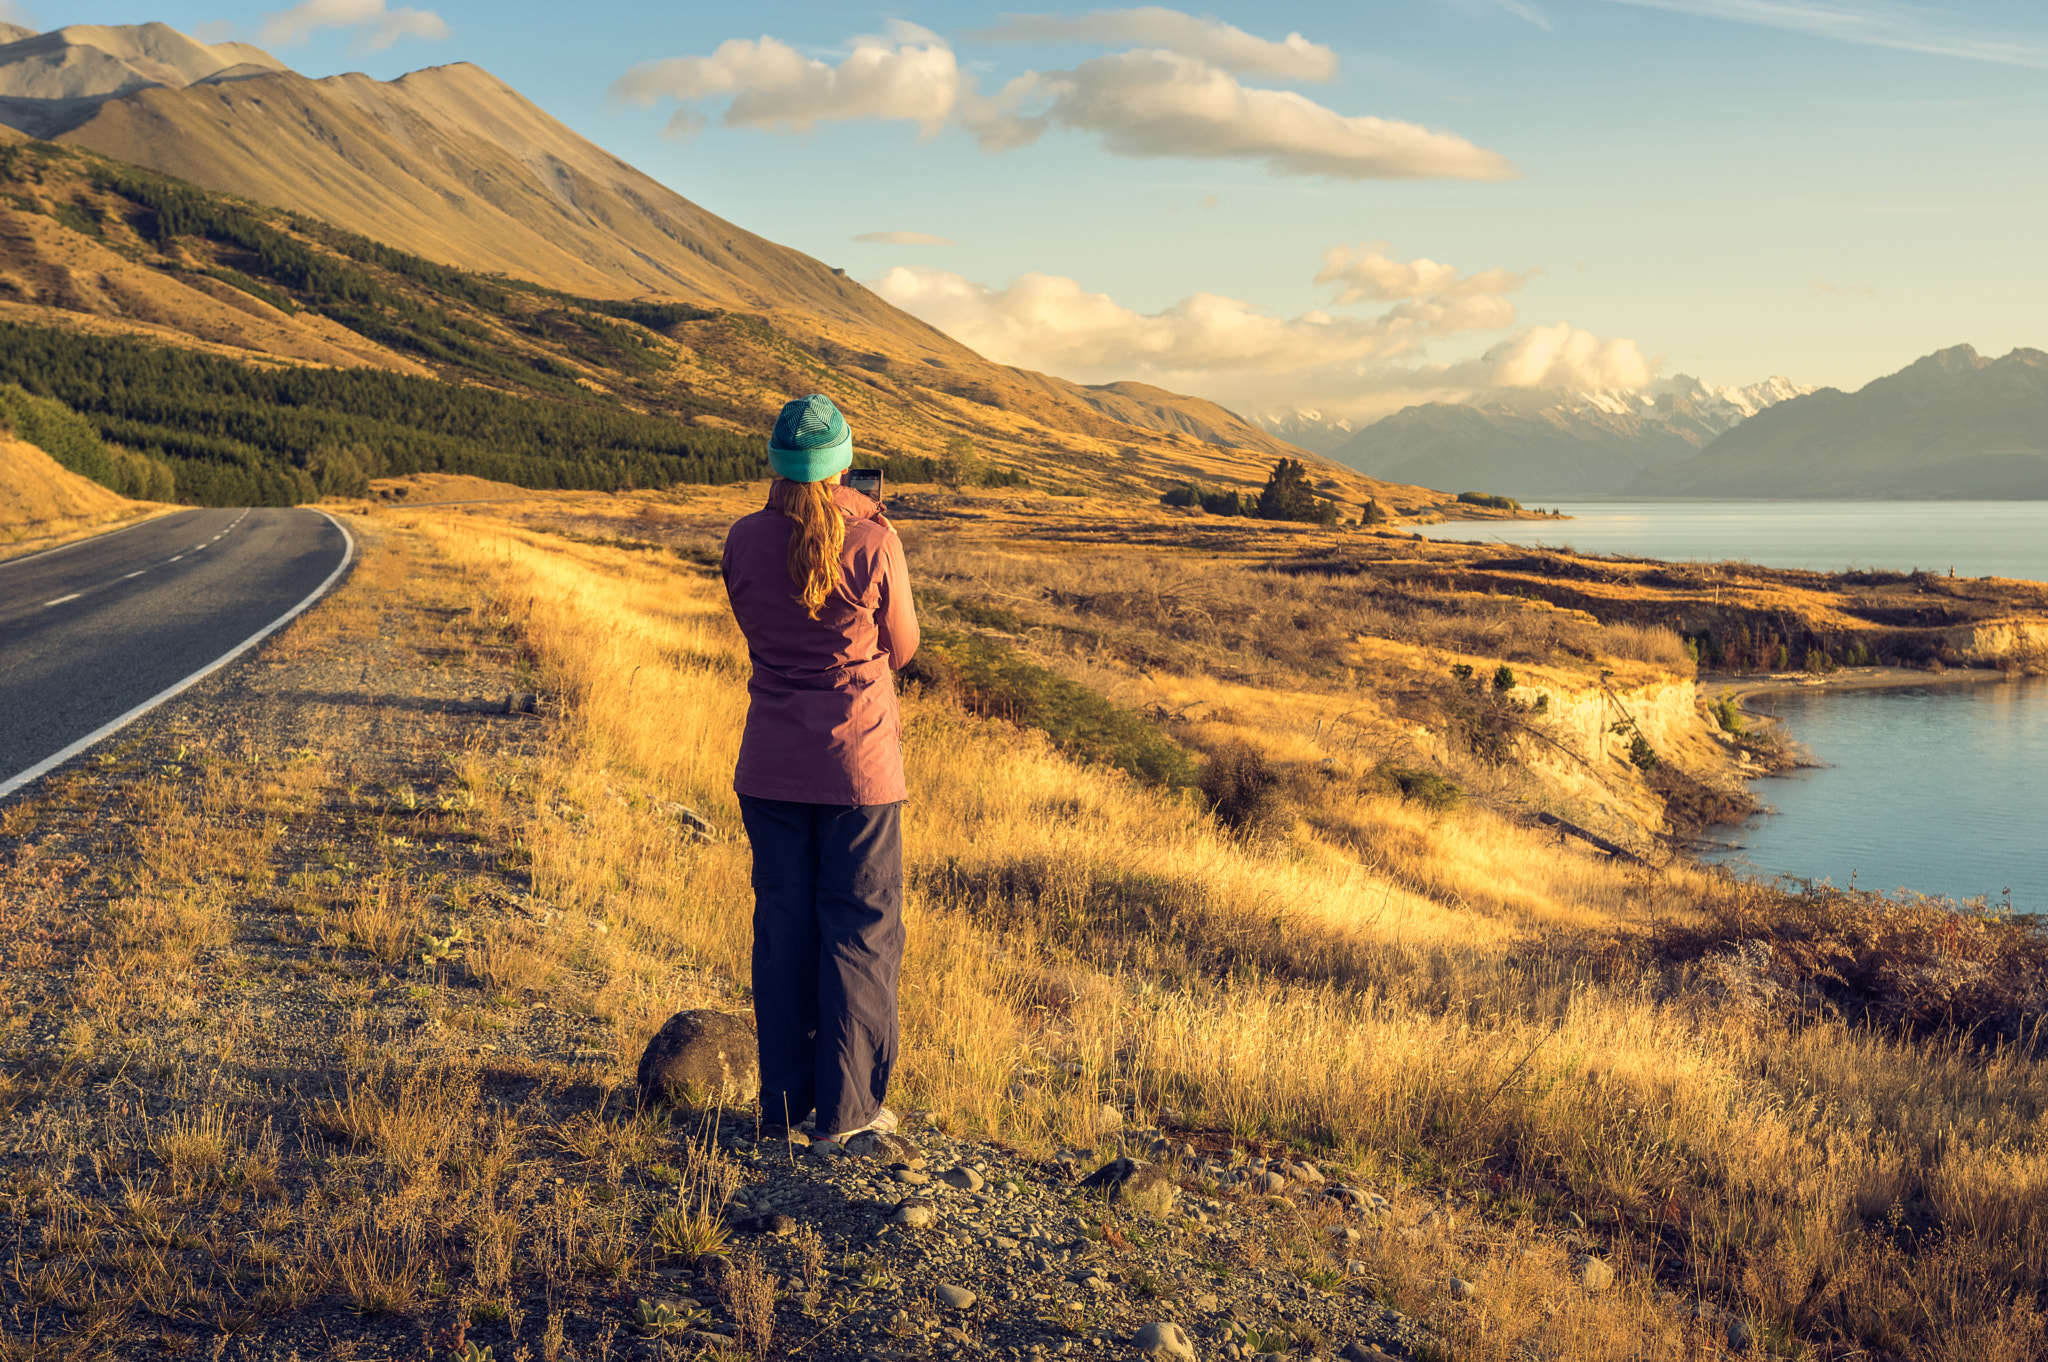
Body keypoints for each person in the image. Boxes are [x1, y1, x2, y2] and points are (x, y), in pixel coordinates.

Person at [721, 393, 918, 1142]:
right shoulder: (873, 541)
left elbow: (757, 629)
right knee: (860, 931)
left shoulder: (743, 539)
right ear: (843, 466)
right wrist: (873, 527)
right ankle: (848, 1113)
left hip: (769, 765)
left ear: (775, 464)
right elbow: (902, 647)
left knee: (783, 928)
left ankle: (782, 1105)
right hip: (857, 770)